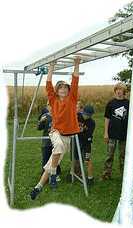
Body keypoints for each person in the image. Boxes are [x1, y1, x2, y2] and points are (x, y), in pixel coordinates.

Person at [30, 57, 81, 200]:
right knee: (57, 145)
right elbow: (48, 84)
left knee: (51, 163)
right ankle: (53, 174)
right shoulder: (53, 100)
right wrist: (51, 66)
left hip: (67, 136)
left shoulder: (72, 100)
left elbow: (75, 81)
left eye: (65, 88)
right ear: (57, 91)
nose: (63, 90)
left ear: (68, 90)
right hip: (56, 132)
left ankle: (38, 187)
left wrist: (76, 64)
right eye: (60, 88)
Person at [101, 82, 129, 180]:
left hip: (124, 134)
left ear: (124, 91)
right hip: (112, 133)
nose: (118, 92)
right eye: (117, 89)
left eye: (121, 90)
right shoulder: (111, 103)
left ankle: (124, 176)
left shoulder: (128, 103)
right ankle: (106, 174)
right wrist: (106, 133)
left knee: (123, 156)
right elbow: (107, 118)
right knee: (109, 155)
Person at [37, 102, 61, 178]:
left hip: (56, 141)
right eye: (49, 105)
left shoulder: (58, 115)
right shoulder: (45, 116)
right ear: (47, 107)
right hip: (46, 142)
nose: (51, 107)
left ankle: (56, 174)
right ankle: (44, 176)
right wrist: (41, 121)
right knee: (46, 158)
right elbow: (39, 128)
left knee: (55, 158)